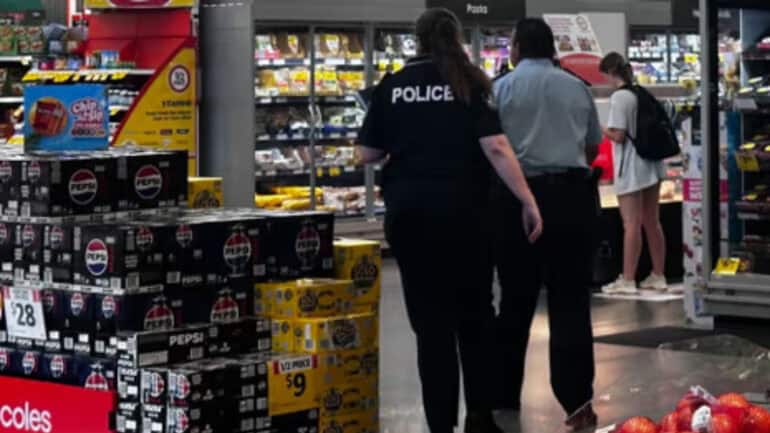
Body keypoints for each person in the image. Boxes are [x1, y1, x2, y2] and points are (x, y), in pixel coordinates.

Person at [357, 8, 542, 433]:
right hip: (468, 217)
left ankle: (440, 424)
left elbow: (367, 153)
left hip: (411, 219)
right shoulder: (472, 82)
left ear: (417, 40)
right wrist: (527, 199)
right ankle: (479, 417)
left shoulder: (393, 85)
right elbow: (495, 146)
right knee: (475, 317)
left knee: (431, 327)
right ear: (456, 37)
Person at [491, 18, 601, 431]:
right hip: (570, 200)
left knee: (514, 301)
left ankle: (503, 397)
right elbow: (591, 145)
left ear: (516, 47)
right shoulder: (575, 87)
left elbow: (490, 147)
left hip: (514, 201)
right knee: (571, 301)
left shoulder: (499, 89)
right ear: (552, 48)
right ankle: (577, 403)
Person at [599, 52, 668, 294]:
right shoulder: (641, 93)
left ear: (609, 73)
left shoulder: (620, 98)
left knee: (631, 223)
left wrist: (600, 128)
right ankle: (658, 275)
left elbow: (618, 136)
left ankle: (628, 279)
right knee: (652, 221)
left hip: (630, 167)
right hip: (652, 164)